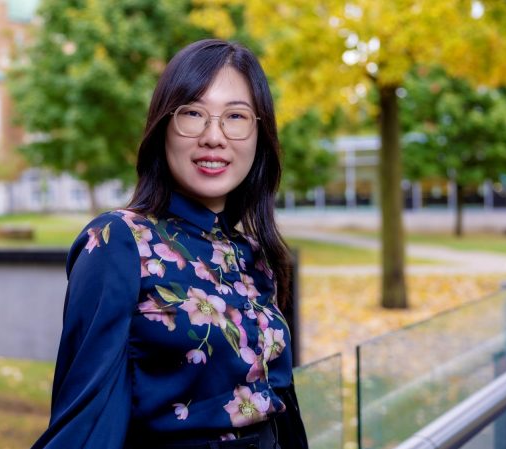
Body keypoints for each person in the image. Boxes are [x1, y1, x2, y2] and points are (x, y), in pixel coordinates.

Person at [32, 39, 308, 449]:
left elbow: (280, 407)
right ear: (163, 127)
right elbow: (85, 421)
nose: (214, 136)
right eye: (193, 113)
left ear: (260, 135)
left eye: (236, 116)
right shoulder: (119, 241)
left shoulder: (255, 255)